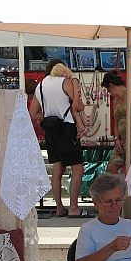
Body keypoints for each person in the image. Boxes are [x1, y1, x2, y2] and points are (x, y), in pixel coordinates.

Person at [29, 58, 87, 218]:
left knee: (57, 168)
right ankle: (74, 207)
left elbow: (33, 113)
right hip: (66, 129)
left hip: (50, 130)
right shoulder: (65, 82)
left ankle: (59, 207)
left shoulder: (40, 85)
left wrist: (49, 116)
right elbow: (78, 105)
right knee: (77, 169)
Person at [101, 70, 131, 175]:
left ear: (111, 86)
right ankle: (115, 190)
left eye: (108, 90)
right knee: (111, 167)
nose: (109, 93)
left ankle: (130, 190)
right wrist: (117, 139)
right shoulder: (115, 100)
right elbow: (116, 121)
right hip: (123, 141)